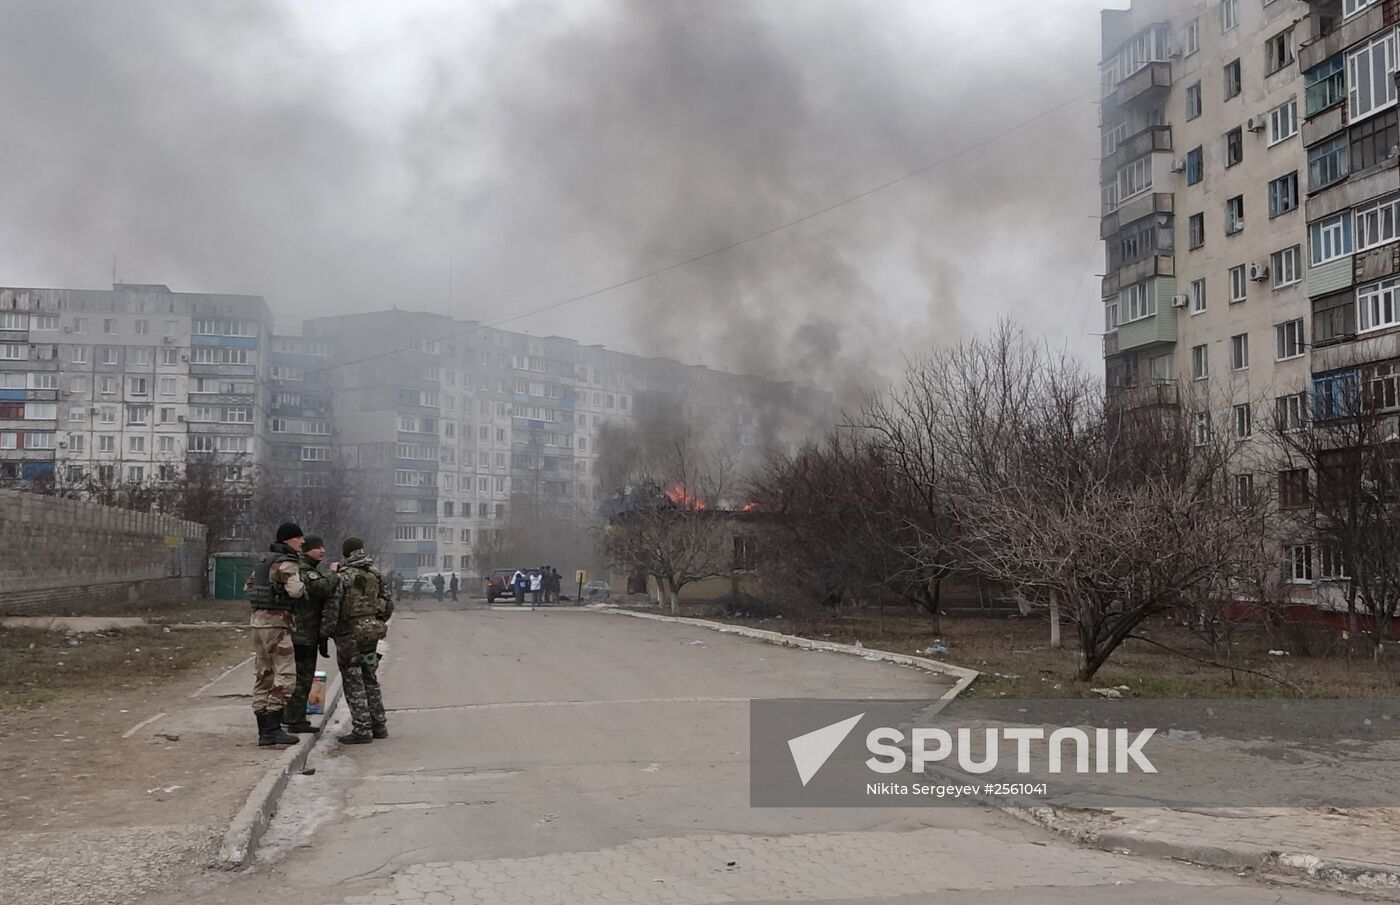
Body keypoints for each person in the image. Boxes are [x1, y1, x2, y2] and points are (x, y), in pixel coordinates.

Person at [322, 536, 394, 744]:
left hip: (348, 635)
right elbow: (388, 605)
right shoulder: (376, 575)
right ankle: (379, 724)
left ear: (346, 554)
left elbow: (333, 607)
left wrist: (325, 634)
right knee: (370, 677)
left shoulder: (342, 577)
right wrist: (375, 621)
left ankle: (362, 729)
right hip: (371, 633)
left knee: (353, 681)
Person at [243, 522, 305, 748]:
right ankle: (273, 727)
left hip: (258, 624)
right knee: (286, 675)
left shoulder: (264, 561)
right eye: (299, 538)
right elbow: (296, 591)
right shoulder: (286, 563)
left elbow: (248, 587)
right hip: (277, 625)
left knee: (263, 675)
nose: (302, 542)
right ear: (288, 540)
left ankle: (263, 730)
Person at [283, 534, 337, 735]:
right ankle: (294, 719)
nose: (322, 550)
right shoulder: (304, 570)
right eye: (317, 547)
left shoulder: (308, 568)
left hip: (305, 632)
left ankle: (294, 716)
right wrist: (333, 574)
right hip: (302, 633)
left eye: (323, 546)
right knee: (302, 678)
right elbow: (322, 588)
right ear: (307, 550)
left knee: (302, 676)